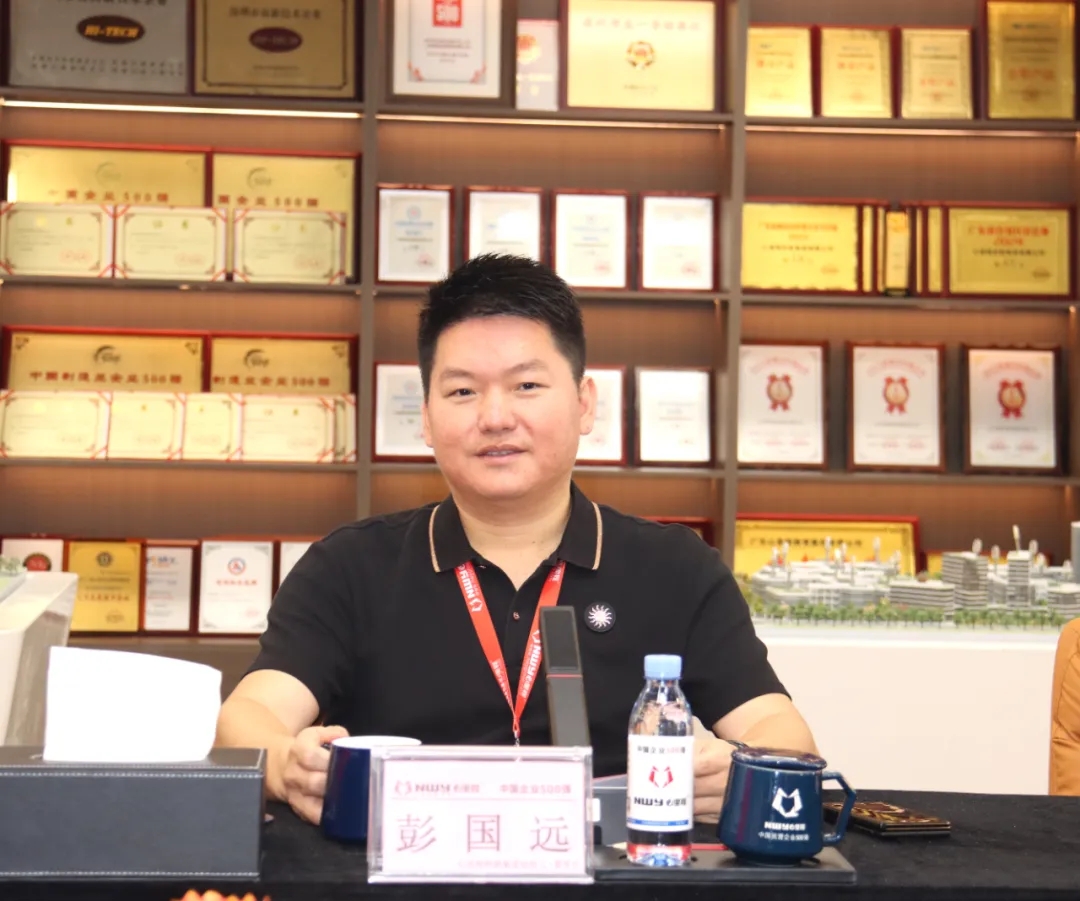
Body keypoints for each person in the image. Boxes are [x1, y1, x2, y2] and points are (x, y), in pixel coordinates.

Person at [215, 253, 818, 826]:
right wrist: (286, 764)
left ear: (584, 403)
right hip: (406, 870)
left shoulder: (674, 569)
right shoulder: (350, 566)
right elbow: (248, 715)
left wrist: (741, 770)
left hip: (616, 871)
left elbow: (782, 732)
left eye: (526, 385)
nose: (496, 417)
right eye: (462, 391)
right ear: (425, 418)